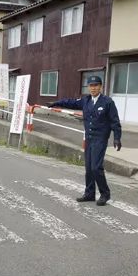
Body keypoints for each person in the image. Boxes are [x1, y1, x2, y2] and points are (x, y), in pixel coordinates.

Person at [47, 76, 121, 206]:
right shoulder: (86, 100)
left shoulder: (107, 102)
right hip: (89, 138)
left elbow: (115, 122)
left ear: (101, 87)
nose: (93, 88)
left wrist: (117, 138)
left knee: (96, 167)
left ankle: (105, 194)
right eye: (91, 86)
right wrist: (56, 103)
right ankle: (89, 193)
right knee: (89, 168)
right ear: (88, 87)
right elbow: (70, 102)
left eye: (96, 85)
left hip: (100, 139)